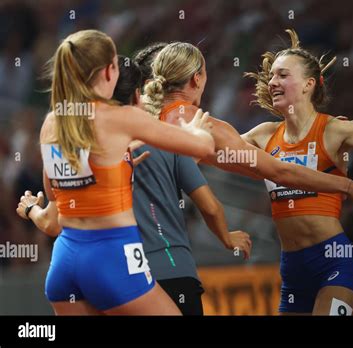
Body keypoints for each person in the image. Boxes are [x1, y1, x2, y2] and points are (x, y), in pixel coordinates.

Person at [18, 56, 252, 315]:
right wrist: (194, 133)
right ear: (136, 95)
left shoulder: (59, 127)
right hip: (121, 263)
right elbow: (204, 150)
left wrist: (30, 210)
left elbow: (51, 221)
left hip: (65, 263)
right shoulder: (130, 122)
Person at [241, 29, 353, 315]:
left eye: (282, 75)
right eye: (271, 76)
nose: (272, 82)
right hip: (293, 273)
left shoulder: (335, 130)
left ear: (309, 84)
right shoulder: (262, 136)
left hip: (336, 263)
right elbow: (214, 150)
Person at [138, 41, 353, 220]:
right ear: (197, 79)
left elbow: (247, 162)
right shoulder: (203, 124)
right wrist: (349, 185)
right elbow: (276, 170)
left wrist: (319, 136)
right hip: (162, 240)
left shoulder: (140, 115)